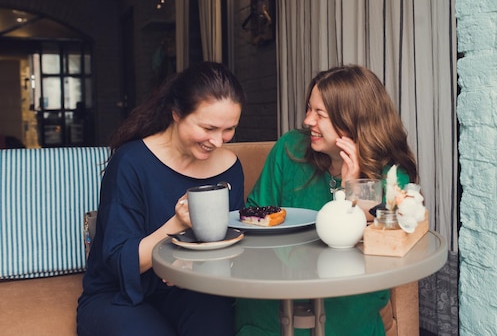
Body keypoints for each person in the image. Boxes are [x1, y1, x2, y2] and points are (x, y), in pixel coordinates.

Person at [235, 65, 418, 336]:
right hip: (279, 287)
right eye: (309, 109)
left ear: (352, 120)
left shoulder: (390, 173)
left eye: (320, 114)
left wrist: (352, 185)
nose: (308, 121)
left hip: (346, 297)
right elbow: (253, 215)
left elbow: (386, 234)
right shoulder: (290, 149)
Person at [77, 61, 247, 336]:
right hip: (119, 294)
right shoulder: (131, 162)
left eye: (229, 129)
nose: (218, 141)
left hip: (191, 287)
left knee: (215, 320)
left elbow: (229, 240)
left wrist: (191, 266)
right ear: (176, 113)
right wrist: (177, 224)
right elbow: (120, 260)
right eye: (208, 128)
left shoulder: (229, 166)